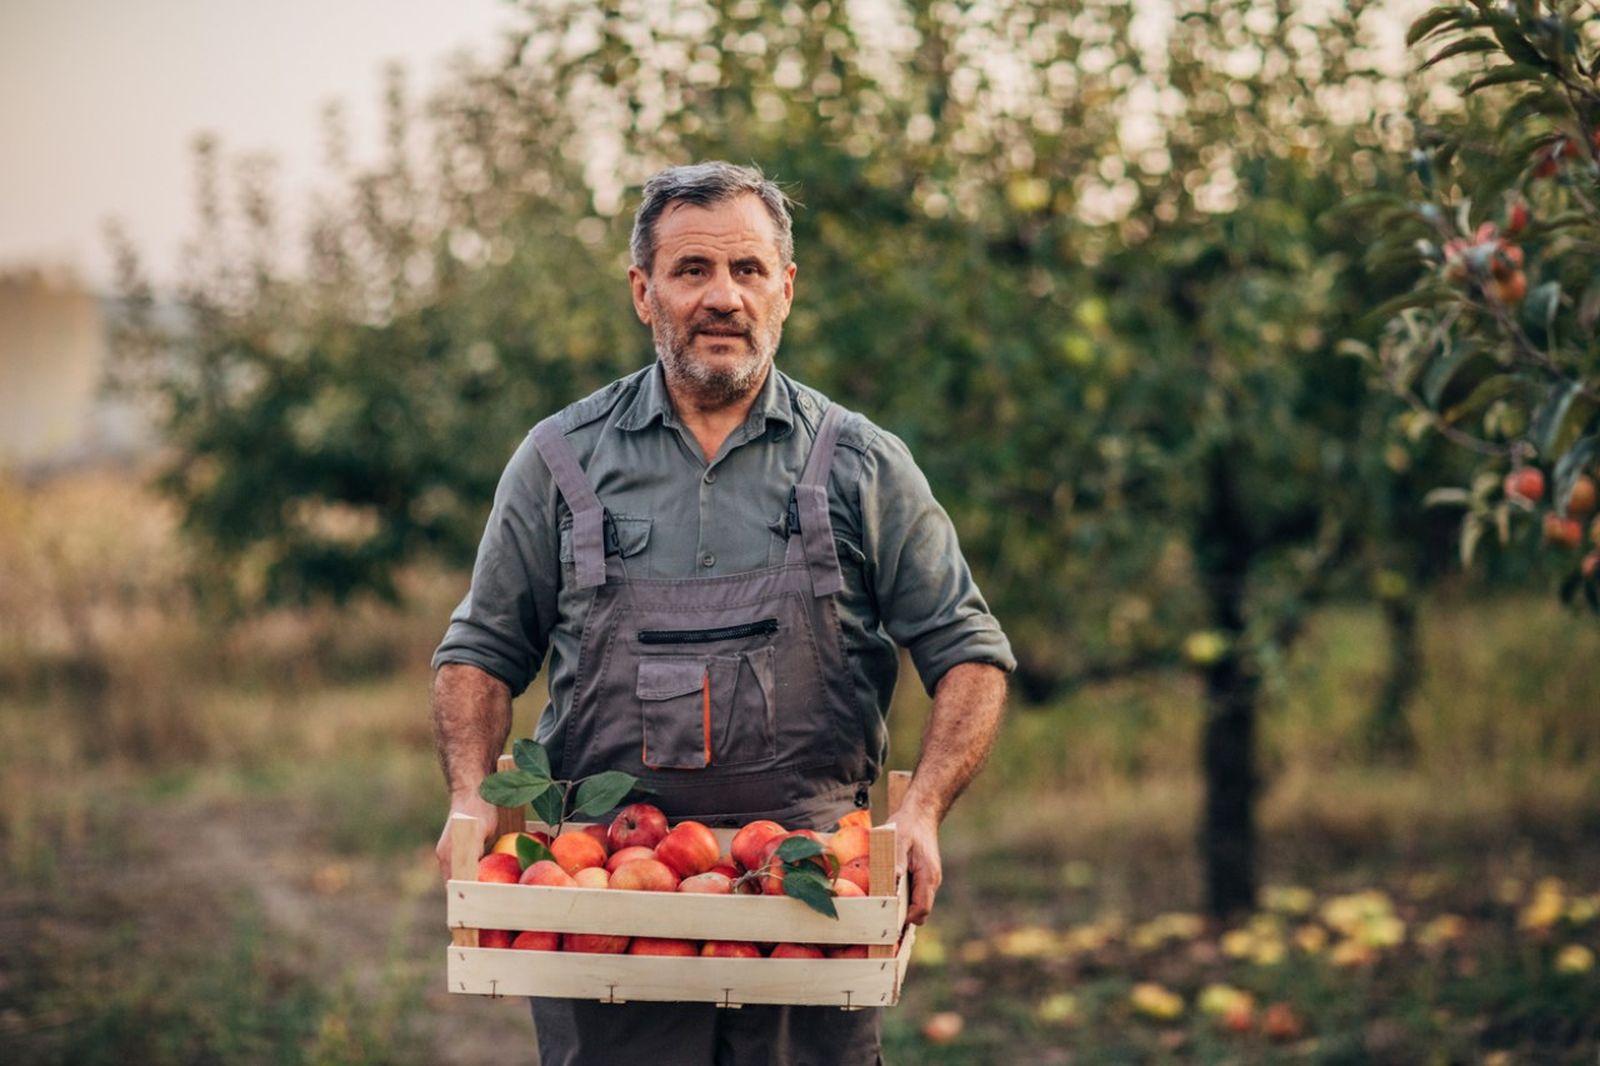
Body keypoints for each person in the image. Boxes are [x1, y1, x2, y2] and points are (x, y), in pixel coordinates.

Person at [430, 161, 1013, 1065]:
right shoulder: (558, 461)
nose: (723, 297)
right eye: (692, 269)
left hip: (809, 894)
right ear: (643, 291)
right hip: (606, 897)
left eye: (747, 270)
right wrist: (472, 797)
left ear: (786, 288)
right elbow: (480, 651)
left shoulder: (860, 465)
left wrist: (924, 810)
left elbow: (969, 651)